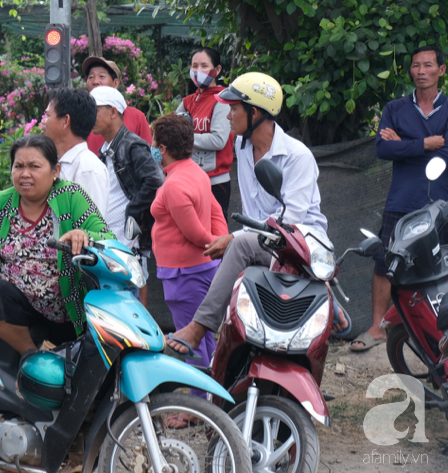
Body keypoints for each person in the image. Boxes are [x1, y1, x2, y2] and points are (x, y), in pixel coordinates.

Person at [166, 72, 330, 357]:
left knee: (239, 245)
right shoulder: (243, 148)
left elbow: (288, 223)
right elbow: (254, 215)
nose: (228, 116)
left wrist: (235, 238)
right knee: (234, 248)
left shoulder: (297, 156)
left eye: (233, 109)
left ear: (254, 112)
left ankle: (199, 327)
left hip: (301, 248)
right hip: (267, 245)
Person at [0, 134, 113, 354]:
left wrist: (84, 234)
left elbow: (108, 237)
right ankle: (31, 356)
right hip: (17, 315)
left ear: (55, 170)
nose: (25, 174)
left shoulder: (71, 197)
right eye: (18, 166)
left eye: (34, 166)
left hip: (67, 315)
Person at [353, 45, 448, 352]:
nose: (421, 71)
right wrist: (424, 144)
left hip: (442, 201)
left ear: (441, 71)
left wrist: (405, 144)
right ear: (410, 71)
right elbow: (382, 149)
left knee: (442, 262)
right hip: (402, 199)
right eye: (416, 66)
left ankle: (438, 331)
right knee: (386, 261)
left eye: (428, 65)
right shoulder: (395, 108)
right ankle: (378, 327)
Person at [150, 114, 227, 411]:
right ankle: (210, 399)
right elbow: (216, 212)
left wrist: (213, 244)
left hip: (184, 275)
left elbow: (194, 232)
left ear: (164, 147)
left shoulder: (174, 185)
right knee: (204, 337)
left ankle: (199, 409)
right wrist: (220, 243)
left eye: (154, 143)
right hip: (201, 270)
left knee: (189, 341)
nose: (152, 147)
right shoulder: (195, 172)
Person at [90, 86, 164, 304]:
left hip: (127, 240)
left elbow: (155, 180)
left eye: (95, 110)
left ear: (113, 112)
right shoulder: (105, 149)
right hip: (111, 238)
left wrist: (133, 212)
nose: (89, 116)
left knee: (128, 295)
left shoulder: (133, 144)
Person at [176, 47, 235, 216]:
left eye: (204, 66)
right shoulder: (188, 102)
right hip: (189, 180)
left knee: (214, 236)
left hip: (215, 183)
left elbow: (218, 140)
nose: (198, 71)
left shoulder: (222, 100)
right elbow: (169, 129)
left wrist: (185, 138)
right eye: (194, 66)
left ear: (217, 70)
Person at [43, 87, 109, 213]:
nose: (43, 122)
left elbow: (92, 226)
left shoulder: (87, 168)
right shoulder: (57, 162)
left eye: (47, 115)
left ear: (65, 121)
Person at [83, 57, 152, 153]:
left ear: (115, 83)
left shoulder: (137, 117)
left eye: (102, 76)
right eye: (91, 77)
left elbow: (148, 154)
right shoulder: (80, 117)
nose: (95, 81)